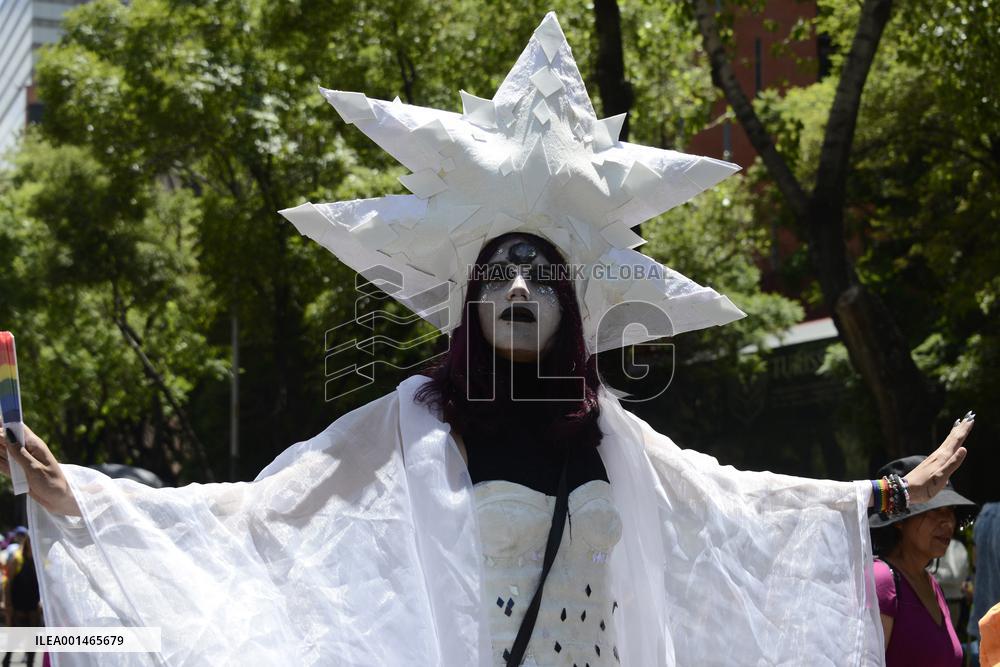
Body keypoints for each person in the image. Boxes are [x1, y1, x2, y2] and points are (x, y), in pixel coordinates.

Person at [0, 12, 977, 667]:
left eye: (538, 273)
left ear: (568, 303)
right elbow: (256, 515)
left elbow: (737, 505)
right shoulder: (418, 416)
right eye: (497, 272)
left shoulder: (607, 431)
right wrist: (76, 492)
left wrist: (893, 491)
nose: (516, 286)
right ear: (468, 301)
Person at [870, 456, 978, 667]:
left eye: (950, 511)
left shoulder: (931, 584)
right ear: (899, 521)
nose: (947, 522)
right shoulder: (881, 579)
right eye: (935, 510)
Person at [3, 534, 41, 667]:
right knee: (15, 637)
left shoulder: (39, 560)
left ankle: (30, 663)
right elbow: (8, 584)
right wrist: (8, 605)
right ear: (28, 543)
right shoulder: (17, 559)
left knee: (33, 640)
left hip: (33, 607)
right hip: (17, 606)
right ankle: (6, 660)